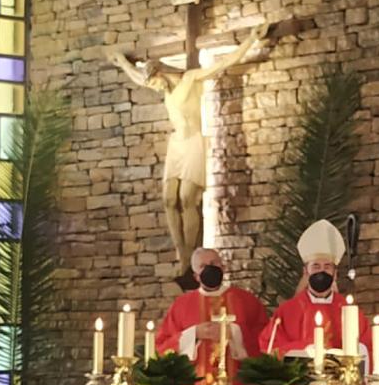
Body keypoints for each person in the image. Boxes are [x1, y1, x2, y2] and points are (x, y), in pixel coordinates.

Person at [110, 23, 271, 269]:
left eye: (155, 82)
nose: (154, 87)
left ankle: (190, 252)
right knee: (168, 200)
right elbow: (137, 76)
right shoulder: (163, 87)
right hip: (177, 144)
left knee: (187, 198)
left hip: (194, 141)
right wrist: (122, 61)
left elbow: (223, 63)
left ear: (161, 72)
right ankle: (182, 253)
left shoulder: (190, 79)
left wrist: (251, 40)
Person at [156, 247, 268, 385]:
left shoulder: (246, 300)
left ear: (223, 268)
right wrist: (194, 333)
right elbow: (162, 347)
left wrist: (233, 333)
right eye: (203, 266)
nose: (210, 268)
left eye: (214, 263)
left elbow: (266, 340)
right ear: (196, 276)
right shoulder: (181, 305)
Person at [260, 219, 370, 358]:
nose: (321, 271)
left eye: (327, 266)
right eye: (316, 266)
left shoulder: (350, 312)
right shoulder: (287, 311)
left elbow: (367, 347)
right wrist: (306, 347)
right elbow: (269, 346)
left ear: (335, 273)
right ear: (306, 272)